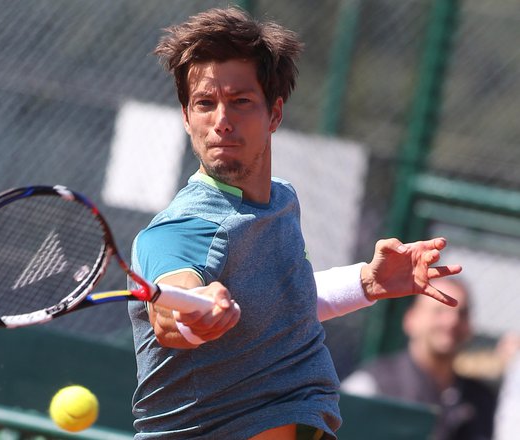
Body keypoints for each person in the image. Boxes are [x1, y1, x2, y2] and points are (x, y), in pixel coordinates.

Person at [127, 7, 461, 439]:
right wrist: (197, 315)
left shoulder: (280, 200)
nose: (221, 121)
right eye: (205, 104)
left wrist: (366, 282)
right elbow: (169, 313)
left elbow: (279, 305)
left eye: (241, 102)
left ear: (275, 114)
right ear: (187, 117)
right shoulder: (181, 228)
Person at [341, 278, 497, 440]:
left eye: (462, 313)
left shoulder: (481, 400)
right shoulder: (373, 385)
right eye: (439, 310)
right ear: (411, 319)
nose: (452, 321)